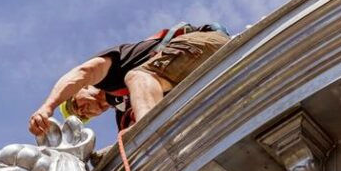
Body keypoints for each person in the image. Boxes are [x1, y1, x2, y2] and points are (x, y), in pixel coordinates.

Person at [28, 24, 230, 134]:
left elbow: (82, 73)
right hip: (202, 81)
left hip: (201, 46)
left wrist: (48, 107)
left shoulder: (108, 73)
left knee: (138, 77)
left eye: (75, 105)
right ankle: (149, 133)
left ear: (84, 88)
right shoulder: (126, 112)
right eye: (82, 117)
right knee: (128, 134)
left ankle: (149, 133)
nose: (82, 112)